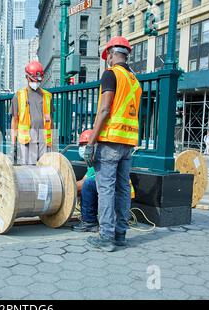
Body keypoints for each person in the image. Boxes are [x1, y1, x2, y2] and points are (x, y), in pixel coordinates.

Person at [83, 36, 142, 252]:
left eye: (107, 55)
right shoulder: (134, 81)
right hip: (128, 143)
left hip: (110, 143)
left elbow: (105, 109)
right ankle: (120, 235)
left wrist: (91, 141)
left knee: (106, 189)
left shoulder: (111, 74)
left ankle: (106, 237)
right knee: (123, 188)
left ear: (110, 54)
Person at [72, 130, 135, 233]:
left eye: (86, 145)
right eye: (81, 145)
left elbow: (82, 184)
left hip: (115, 196)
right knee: (88, 186)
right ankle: (120, 228)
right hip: (119, 195)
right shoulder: (94, 162)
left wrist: (64, 189)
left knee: (88, 185)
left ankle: (90, 222)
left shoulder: (100, 161)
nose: (83, 148)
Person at [10, 61, 54, 165]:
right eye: (33, 79)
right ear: (27, 77)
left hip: (43, 140)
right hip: (26, 141)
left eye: (38, 80)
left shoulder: (47, 96)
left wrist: (51, 140)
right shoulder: (19, 96)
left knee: (44, 169)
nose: (36, 82)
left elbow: (51, 120)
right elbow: (14, 121)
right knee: (29, 171)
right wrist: (13, 143)